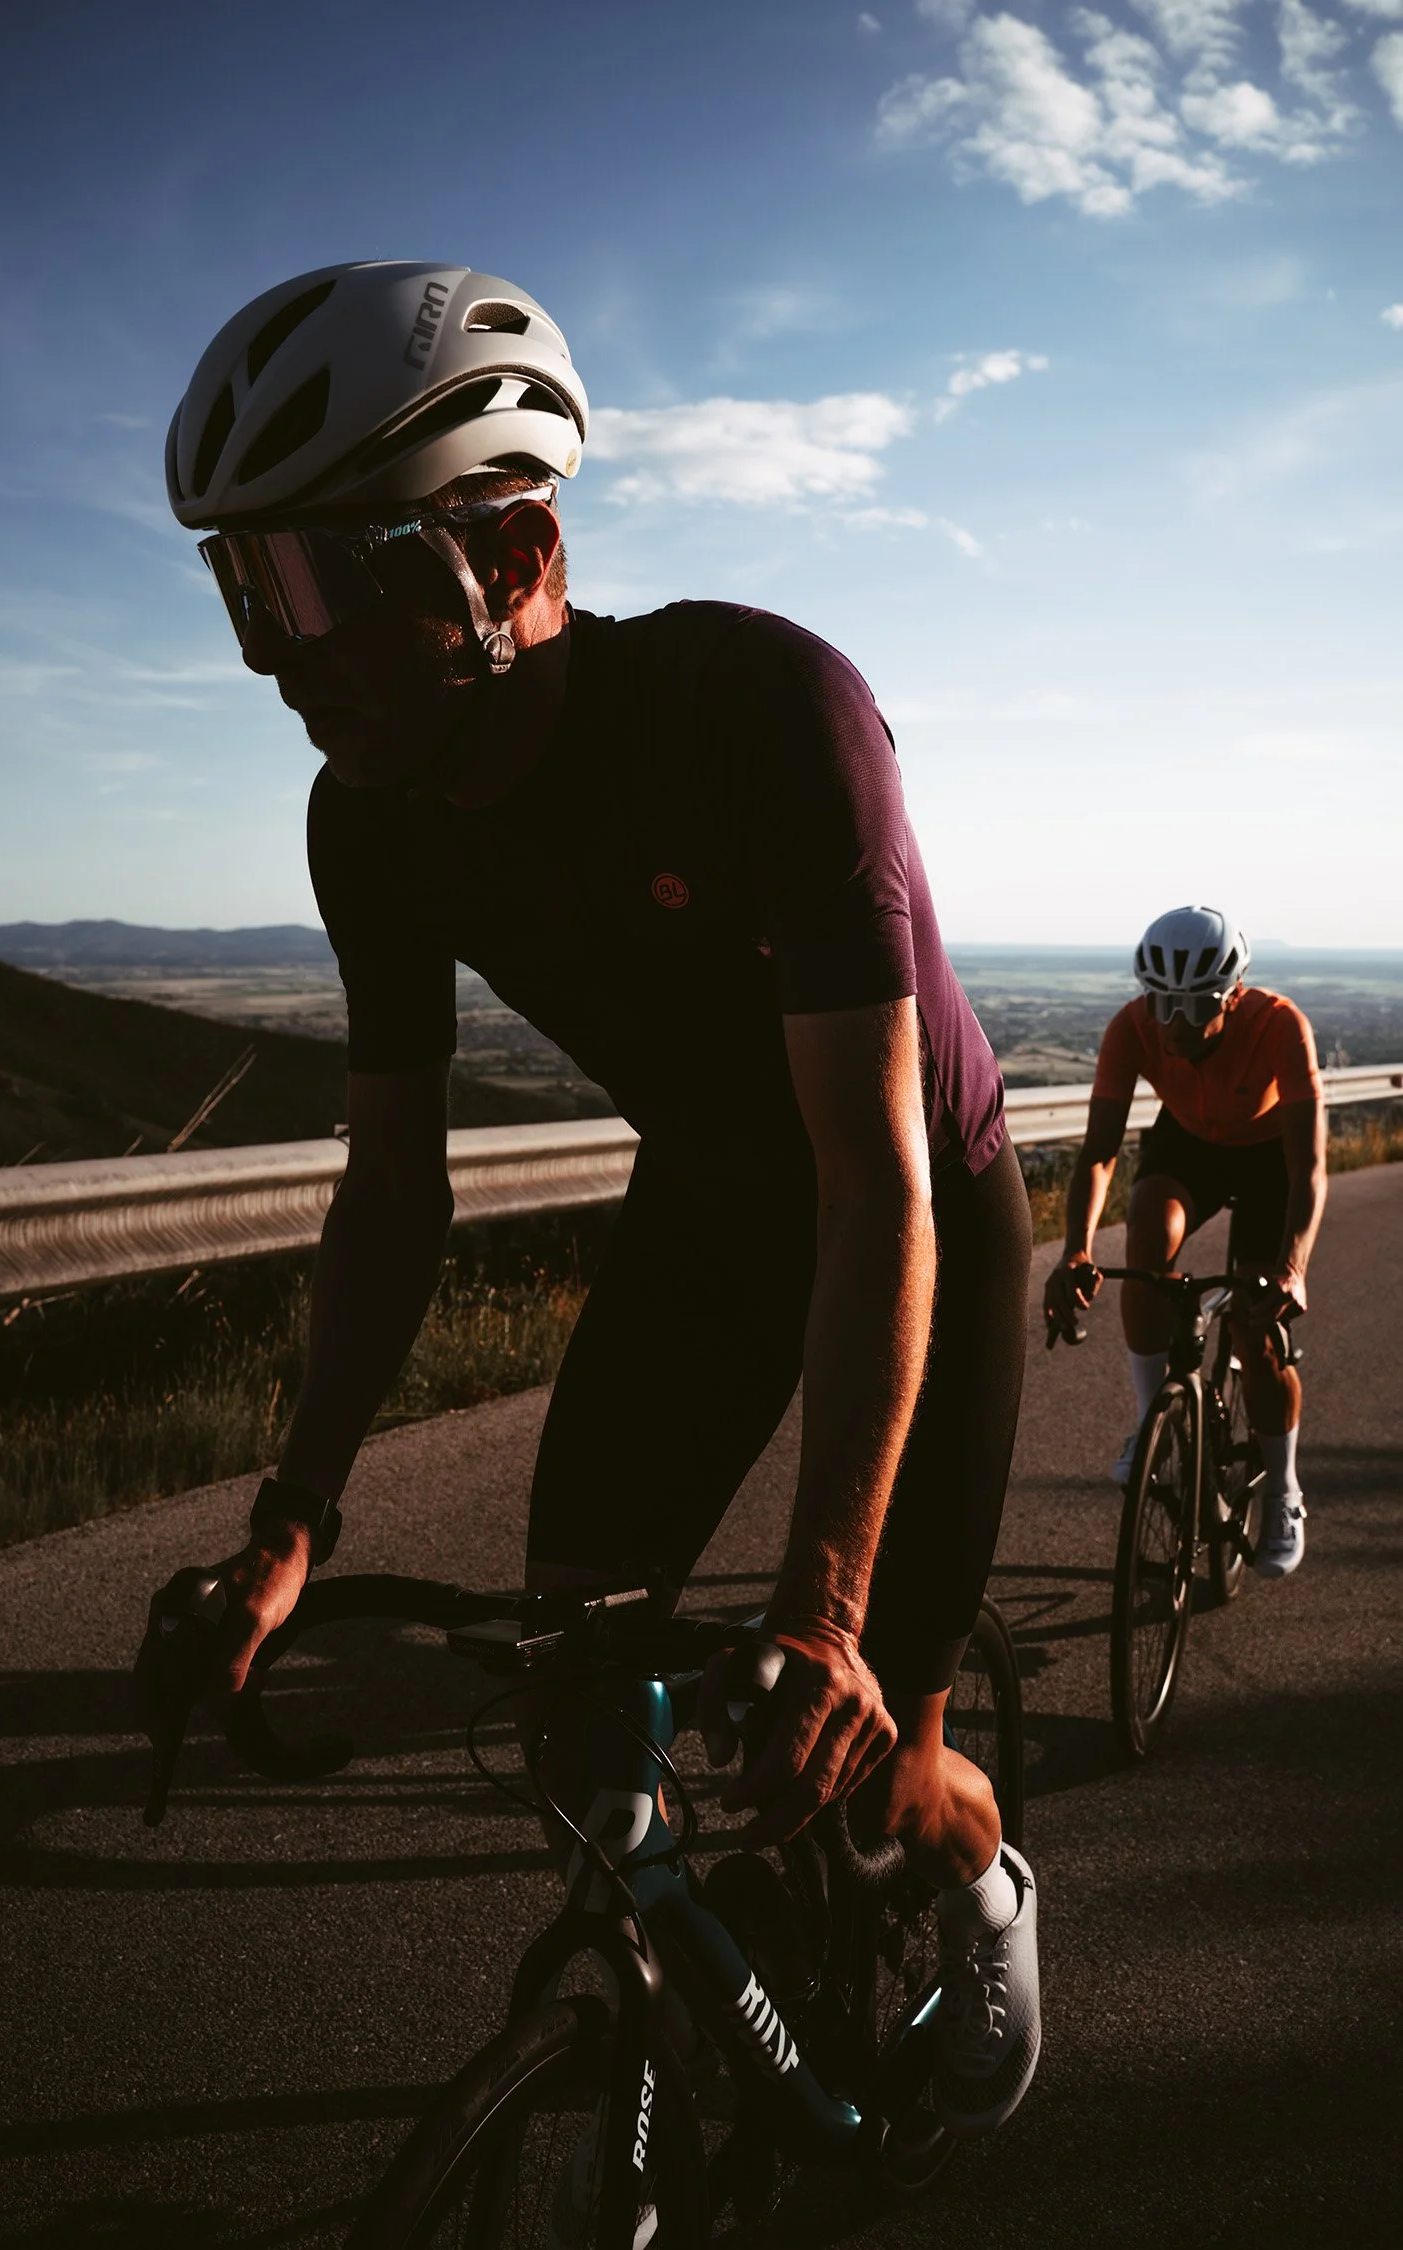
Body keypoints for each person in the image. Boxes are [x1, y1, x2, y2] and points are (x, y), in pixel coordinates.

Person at [164, 261, 1039, 2133]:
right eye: (243, 589)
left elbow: (875, 1175)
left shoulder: (764, 710)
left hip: (917, 1211)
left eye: (314, 582)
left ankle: (982, 1882)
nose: (278, 656)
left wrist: (826, 1604)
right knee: (575, 1695)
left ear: (514, 552)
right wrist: (291, 1520)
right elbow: (393, 1192)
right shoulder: (367, 821)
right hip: (715, 1209)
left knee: (875, 1760)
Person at [1044, 904, 1326, 1577]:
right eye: (1160, 1001)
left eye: (1194, 1005)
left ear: (1232, 995)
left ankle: (1284, 1489)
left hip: (1267, 1161)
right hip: (1189, 1146)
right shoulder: (1131, 1027)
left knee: (1257, 1330)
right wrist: (1076, 1249)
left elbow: (1308, 1169)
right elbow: (1099, 1153)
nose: (1173, 1022)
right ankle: (1154, 1423)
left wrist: (1292, 1268)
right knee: (1145, 1234)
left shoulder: (1280, 1025)